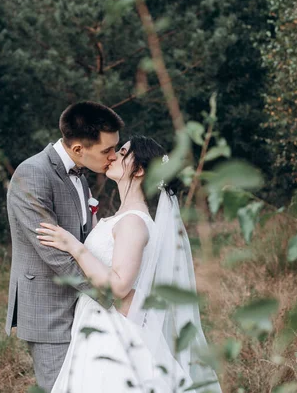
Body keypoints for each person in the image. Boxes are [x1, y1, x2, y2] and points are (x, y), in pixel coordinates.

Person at [36, 136, 222, 393]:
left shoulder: (133, 222)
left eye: (122, 152)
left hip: (113, 332)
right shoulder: (123, 217)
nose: (112, 156)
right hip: (96, 321)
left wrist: (73, 246)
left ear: (140, 169)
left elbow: (120, 286)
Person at [5, 101, 123, 392]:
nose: (113, 156)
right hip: (49, 310)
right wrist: (107, 294)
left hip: (81, 308)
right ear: (79, 149)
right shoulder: (33, 174)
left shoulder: (80, 177)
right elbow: (54, 253)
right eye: (106, 150)